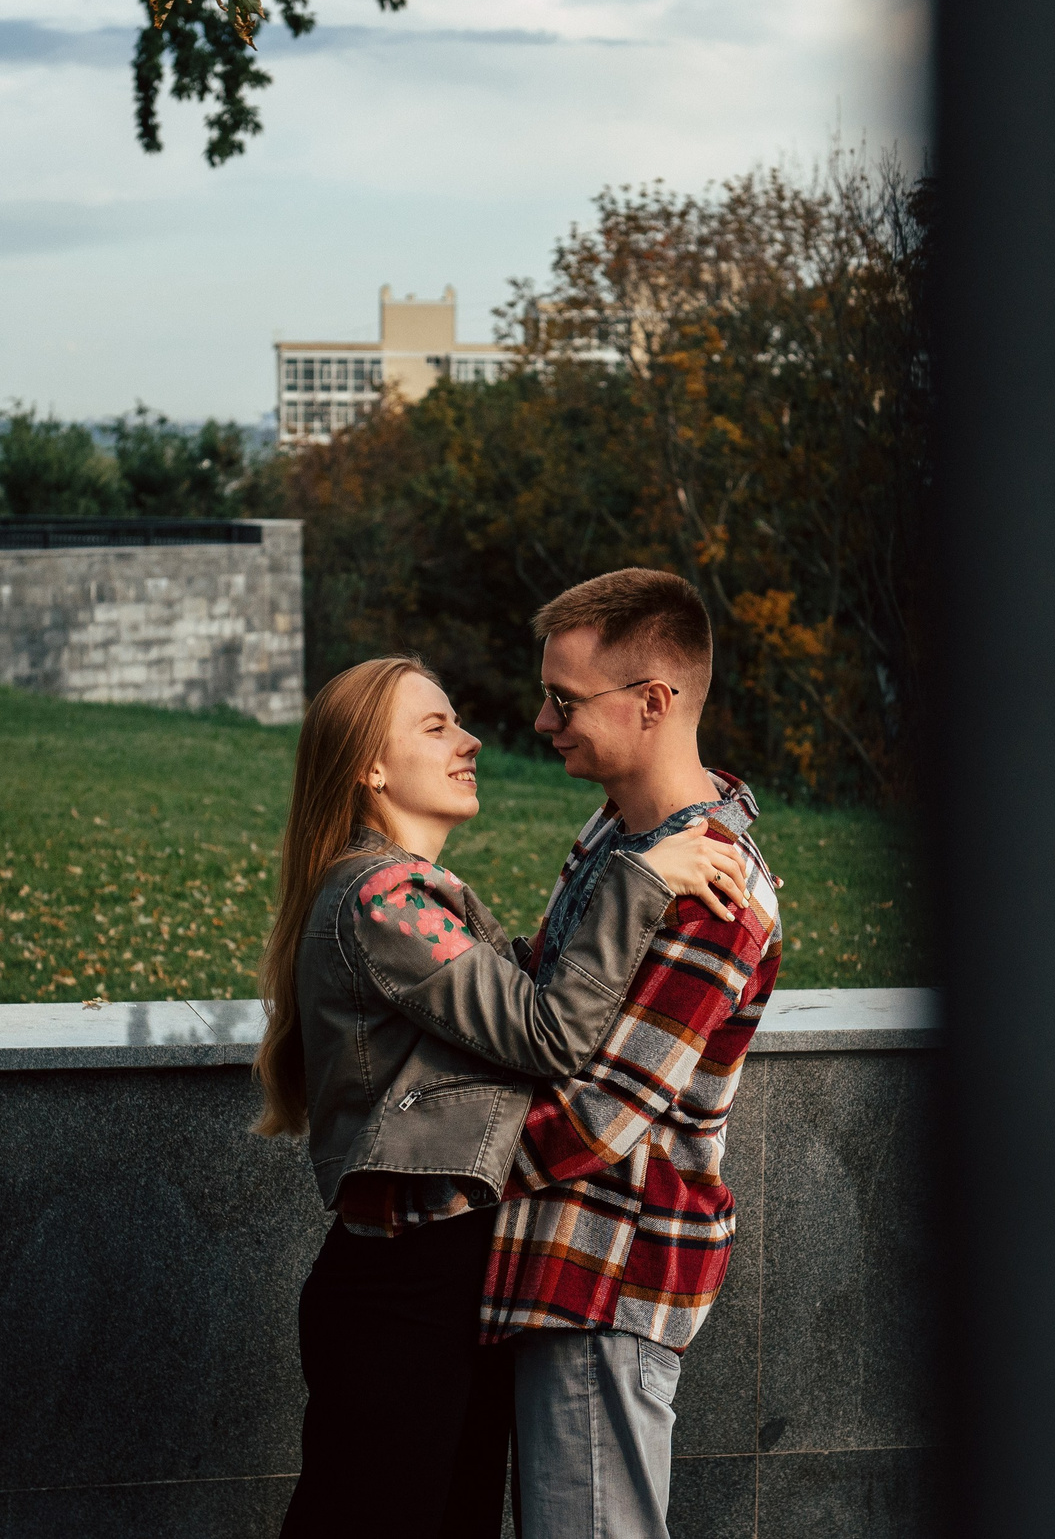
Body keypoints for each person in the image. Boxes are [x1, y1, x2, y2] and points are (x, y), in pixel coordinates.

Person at [256, 654, 752, 1539]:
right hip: (401, 1291)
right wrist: (643, 879)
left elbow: (527, 988)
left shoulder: (411, 895)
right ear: (371, 766)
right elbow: (549, 1029)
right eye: (435, 726)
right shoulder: (381, 899)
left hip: (445, 1287)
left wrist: (668, 874)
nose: (472, 739)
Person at [480, 569, 784, 1539]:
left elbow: (600, 1114)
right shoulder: (624, 831)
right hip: (559, 1263)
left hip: (608, 1277)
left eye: (564, 699)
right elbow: (540, 997)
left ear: (653, 702)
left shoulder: (716, 891)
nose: (541, 718)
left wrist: (436, 1172)